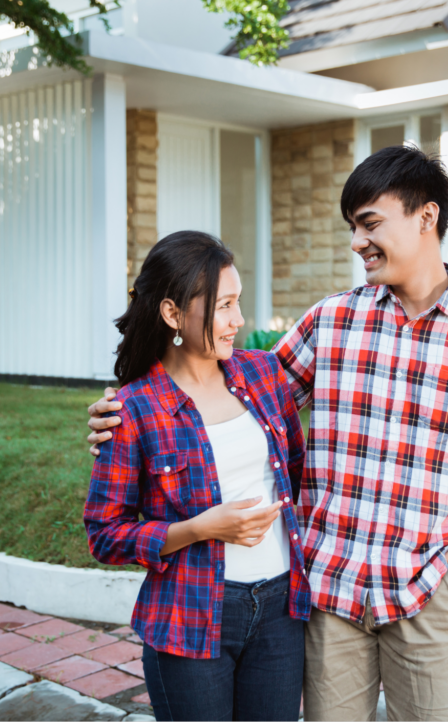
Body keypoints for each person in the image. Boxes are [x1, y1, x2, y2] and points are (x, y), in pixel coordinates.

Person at [88, 147, 448, 721]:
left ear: (426, 217)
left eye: (370, 224)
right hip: (329, 594)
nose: (356, 243)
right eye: (351, 228)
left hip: (429, 592)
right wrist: (128, 409)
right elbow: (237, 392)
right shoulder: (332, 322)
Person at [83, 231, 309, 722]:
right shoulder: (135, 410)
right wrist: (202, 528)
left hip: (280, 611)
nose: (239, 320)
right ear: (172, 314)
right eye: (224, 305)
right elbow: (105, 535)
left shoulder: (265, 375)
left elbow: (296, 472)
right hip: (190, 618)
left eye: (238, 302)